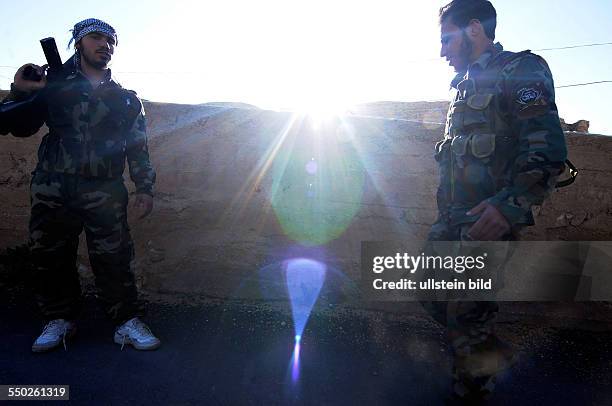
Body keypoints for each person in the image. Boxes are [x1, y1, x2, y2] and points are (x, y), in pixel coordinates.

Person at [428, 0, 568, 402]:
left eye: (446, 40)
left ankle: (472, 389)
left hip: (487, 221)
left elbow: (546, 153)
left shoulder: (520, 70)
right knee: (425, 290)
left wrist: (508, 208)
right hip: (451, 219)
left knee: (464, 317)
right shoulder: (463, 85)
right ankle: (489, 348)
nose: (442, 51)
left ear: (474, 29)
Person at [0, 18, 160, 352]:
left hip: (104, 190)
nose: (105, 44)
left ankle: (125, 321)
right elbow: (17, 126)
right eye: (96, 37)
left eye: (111, 40)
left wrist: (144, 188)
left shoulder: (126, 99)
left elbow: (137, 146)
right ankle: (60, 319)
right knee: (50, 255)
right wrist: (21, 92)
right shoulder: (56, 86)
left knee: (114, 257)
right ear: (78, 43)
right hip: (53, 187)